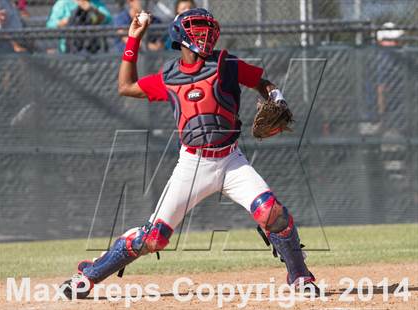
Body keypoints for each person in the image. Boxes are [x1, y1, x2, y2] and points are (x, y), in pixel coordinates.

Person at [61, 8, 316, 299]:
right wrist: (133, 39)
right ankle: (89, 274)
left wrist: (276, 97)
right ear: (180, 35)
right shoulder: (170, 75)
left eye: (208, 28)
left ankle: (300, 277)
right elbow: (126, 86)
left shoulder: (226, 64)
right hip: (193, 164)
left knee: (272, 213)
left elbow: (263, 82)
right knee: (153, 238)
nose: (204, 34)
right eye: (196, 27)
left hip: (231, 160)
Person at [46, 0, 112, 53]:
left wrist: (91, 9)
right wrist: (67, 21)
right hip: (69, 49)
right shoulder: (63, 3)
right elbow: (50, 24)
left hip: (93, 48)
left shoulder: (96, 3)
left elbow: (108, 19)